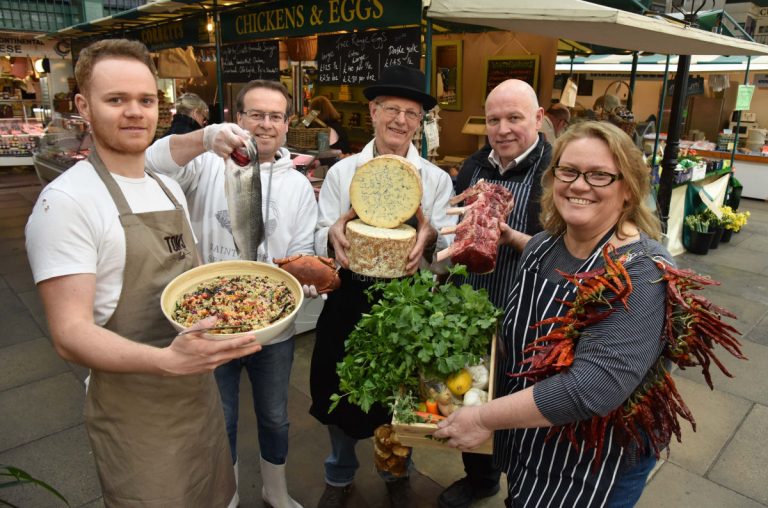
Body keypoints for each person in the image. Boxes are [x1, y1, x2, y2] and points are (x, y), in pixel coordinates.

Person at [25, 38, 263, 506]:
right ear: (84, 106)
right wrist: (166, 362)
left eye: (145, 100)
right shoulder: (67, 202)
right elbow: (69, 333)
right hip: (135, 414)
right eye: (116, 100)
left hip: (198, 401)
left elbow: (189, 289)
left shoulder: (167, 189)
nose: (134, 112)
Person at [434, 121, 671, 507]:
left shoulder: (642, 272)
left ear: (628, 189)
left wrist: (481, 418)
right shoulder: (543, 247)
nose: (579, 185)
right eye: (569, 170)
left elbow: (590, 389)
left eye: (599, 175)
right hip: (533, 441)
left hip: (594, 461)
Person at [145, 79, 317, 508]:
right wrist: (204, 138)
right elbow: (151, 161)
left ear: (286, 124)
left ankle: (276, 491)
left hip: (273, 324)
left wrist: (307, 275)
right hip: (211, 321)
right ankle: (230, 493)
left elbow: (303, 250)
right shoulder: (205, 165)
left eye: (274, 116)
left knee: (276, 416)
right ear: (237, 118)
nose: (264, 124)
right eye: (255, 114)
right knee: (220, 417)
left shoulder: (296, 184)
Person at [310, 64, 456, 508]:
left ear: (420, 122)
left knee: (400, 397)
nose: (400, 121)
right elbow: (321, 234)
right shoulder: (343, 172)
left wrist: (432, 237)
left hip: (406, 303)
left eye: (411, 114)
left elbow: (447, 252)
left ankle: (396, 471)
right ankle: (339, 473)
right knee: (341, 391)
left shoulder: (435, 179)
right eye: (391, 109)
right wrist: (331, 235)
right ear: (373, 111)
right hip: (348, 297)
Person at [440, 78, 552, 508]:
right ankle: (481, 478)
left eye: (514, 118)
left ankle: (523, 489)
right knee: (474, 394)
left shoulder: (556, 170)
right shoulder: (473, 167)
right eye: (493, 119)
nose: (502, 129)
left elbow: (569, 251)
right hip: (474, 305)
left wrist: (511, 237)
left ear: (538, 119)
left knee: (520, 406)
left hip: (529, 314)